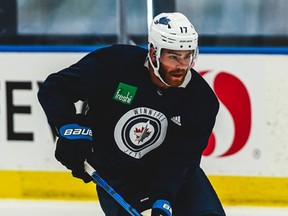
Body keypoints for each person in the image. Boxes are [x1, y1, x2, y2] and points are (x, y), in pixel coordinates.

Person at [38, 12, 226, 216]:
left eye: (187, 56)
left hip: (177, 178)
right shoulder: (116, 64)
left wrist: (162, 201)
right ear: (154, 52)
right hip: (119, 177)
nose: (181, 66)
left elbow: (179, 161)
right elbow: (55, 89)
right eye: (173, 56)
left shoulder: (201, 100)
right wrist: (68, 128)